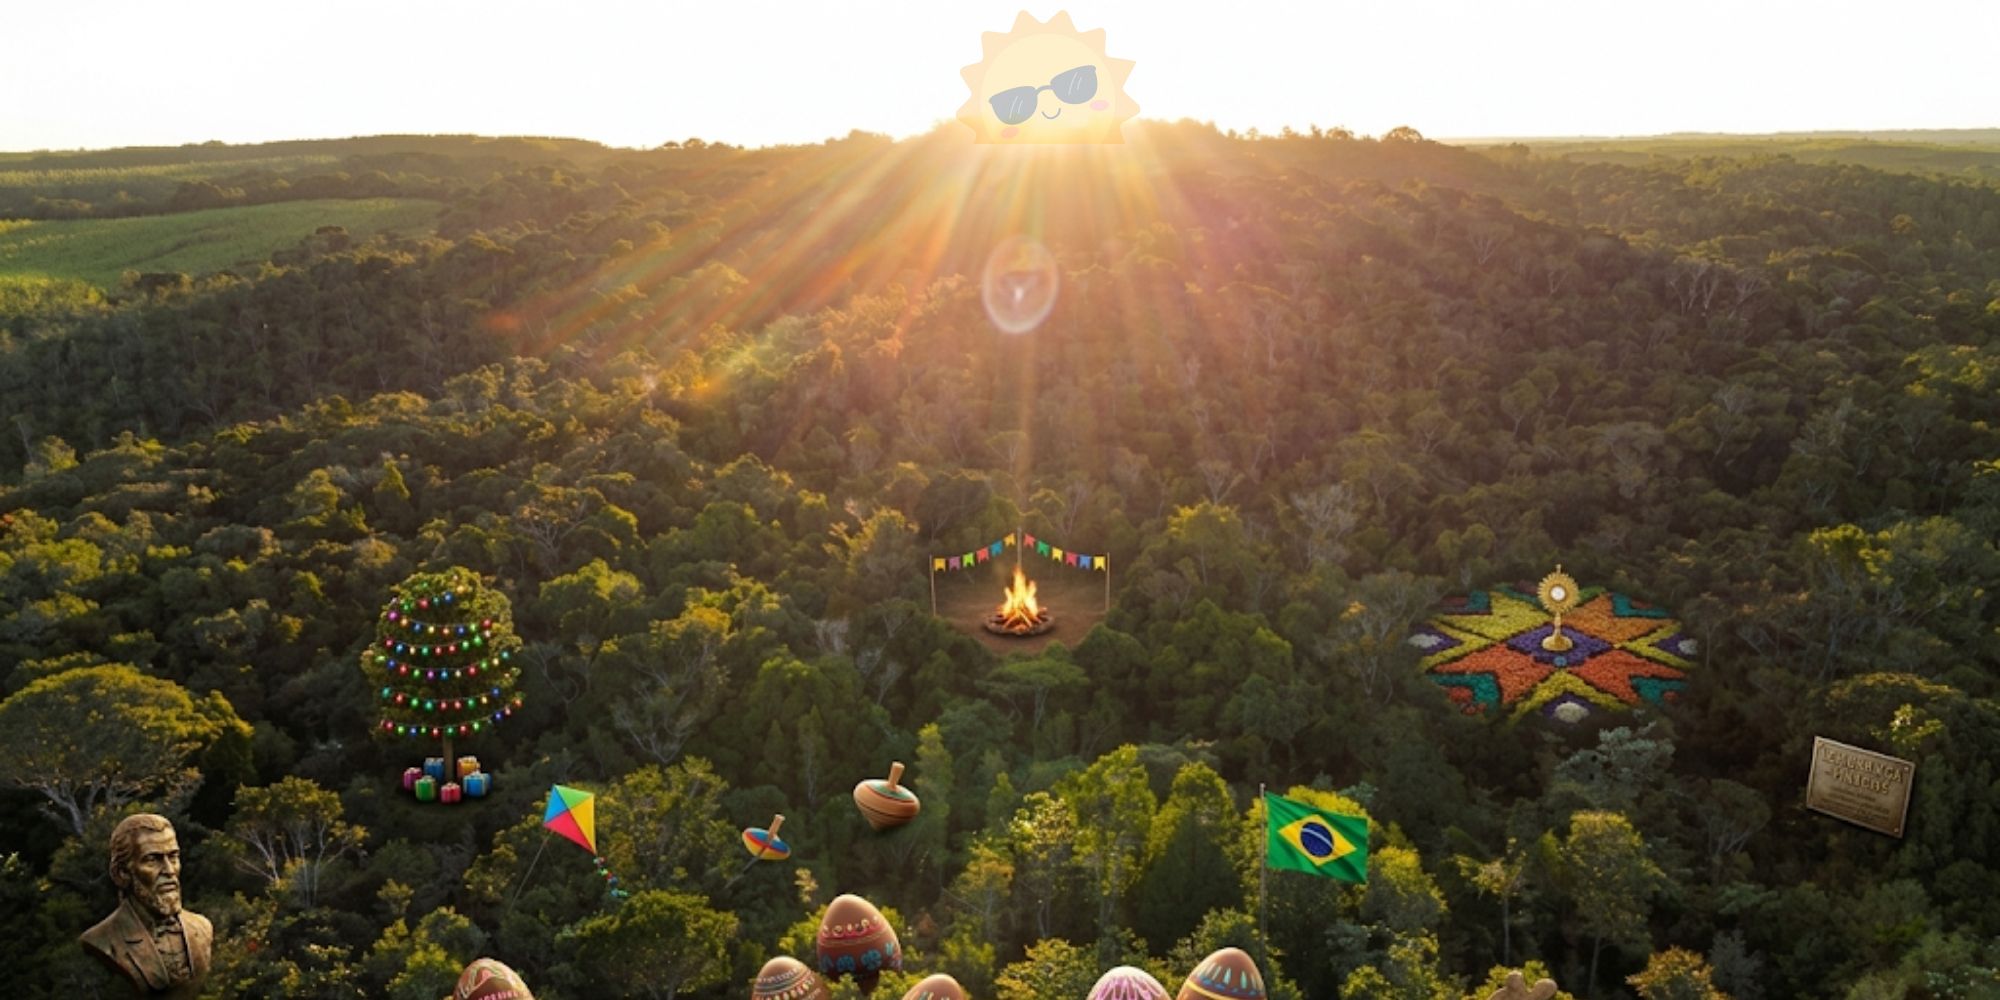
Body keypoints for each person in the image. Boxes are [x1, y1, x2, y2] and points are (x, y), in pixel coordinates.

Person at [79, 814, 212, 998]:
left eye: (173, 857)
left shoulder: (202, 928)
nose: (169, 870)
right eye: (152, 859)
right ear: (122, 873)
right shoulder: (101, 940)